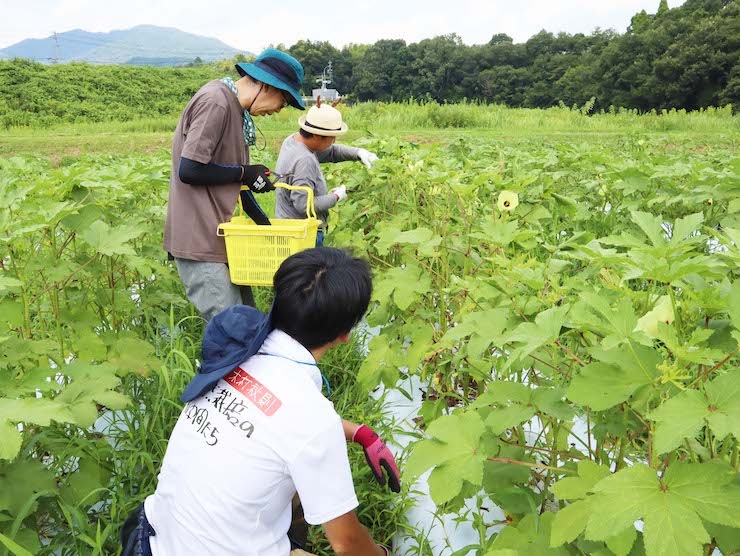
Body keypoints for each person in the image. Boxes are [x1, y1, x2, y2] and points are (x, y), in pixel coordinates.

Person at [121, 248, 400, 556]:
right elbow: (346, 544)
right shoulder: (311, 416)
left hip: (150, 539)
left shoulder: (237, 354)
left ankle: (288, 540)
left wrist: (359, 432)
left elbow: (271, 416)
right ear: (345, 334)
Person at [164, 48, 306, 322]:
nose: (278, 110)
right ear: (267, 85)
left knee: (248, 323)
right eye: (284, 100)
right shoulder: (216, 101)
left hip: (224, 240)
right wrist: (244, 172)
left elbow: (234, 181)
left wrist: (266, 229)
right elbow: (190, 168)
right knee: (231, 334)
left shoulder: (237, 112)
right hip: (201, 239)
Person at [274, 100, 378, 246]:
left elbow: (332, 151)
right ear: (317, 135)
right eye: (331, 137)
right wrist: (336, 196)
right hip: (303, 236)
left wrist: (358, 153)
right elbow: (304, 205)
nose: (334, 140)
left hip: (289, 229)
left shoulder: (293, 141)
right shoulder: (305, 160)